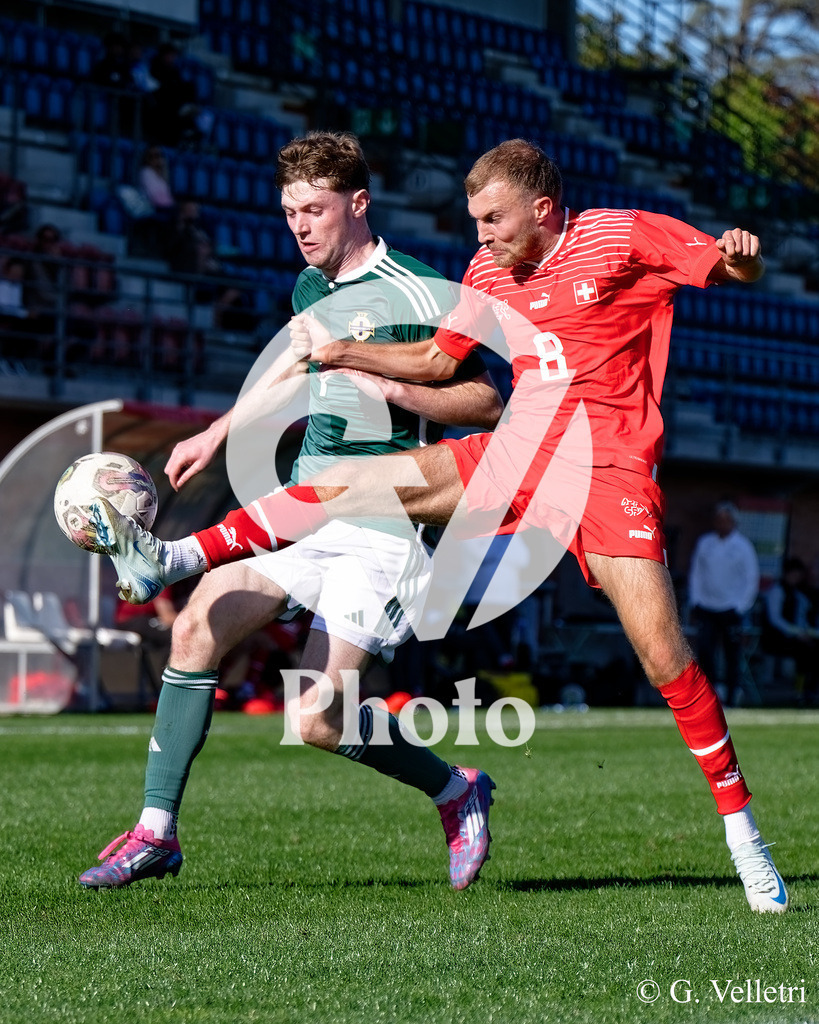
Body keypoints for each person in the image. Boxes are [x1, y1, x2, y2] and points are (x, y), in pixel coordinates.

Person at [88, 139, 789, 913]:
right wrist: (339, 356)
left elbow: (729, 271)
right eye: (474, 220)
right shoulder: (483, 273)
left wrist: (744, 255)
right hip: (516, 453)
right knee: (336, 490)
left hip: (605, 469)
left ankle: (742, 838)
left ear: (543, 210)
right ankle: (170, 558)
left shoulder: (618, 236)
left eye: (492, 219)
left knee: (662, 657)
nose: (480, 235)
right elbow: (432, 361)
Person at [78, 131, 501, 892]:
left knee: (316, 721)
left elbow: (485, 399)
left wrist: (395, 388)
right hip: (304, 511)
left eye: (313, 210)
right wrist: (217, 430)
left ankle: (455, 790)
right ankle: (155, 832)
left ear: (358, 203)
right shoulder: (312, 287)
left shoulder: (418, 291)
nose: (299, 226)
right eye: (288, 213)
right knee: (199, 622)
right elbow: (294, 364)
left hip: (385, 527)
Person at [688, 502, 759, 707]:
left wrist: (740, 606)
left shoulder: (743, 546)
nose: (722, 524)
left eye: (727, 520)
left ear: (734, 523)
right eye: (719, 520)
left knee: (732, 654)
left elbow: (751, 579)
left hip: (731, 609)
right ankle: (710, 695)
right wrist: (696, 601)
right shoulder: (705, 543)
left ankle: (732, 695)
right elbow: (696, 574)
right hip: (707, 607)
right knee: (706, 651)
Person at [760, 556, 819, 705]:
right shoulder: (777, 590)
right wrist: (796, 633)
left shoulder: (798, 593)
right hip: (775, 637)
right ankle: (798, 691)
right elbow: (775, 619)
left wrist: (805, 632)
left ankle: (808, 690)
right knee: (805, 650)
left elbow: (801, 617)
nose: (796, 578)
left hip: (795, 635)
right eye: (794, 575)